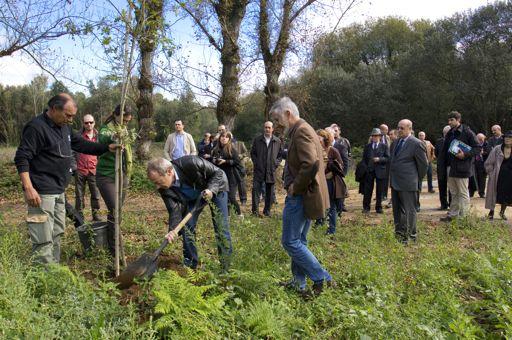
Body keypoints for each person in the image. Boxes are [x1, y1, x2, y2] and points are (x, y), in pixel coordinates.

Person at [14, 94, 116, 264]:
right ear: (54, 109)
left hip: (59, 191)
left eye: (73, 116)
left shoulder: (64, 128)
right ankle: (43, 280)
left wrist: (106, 148)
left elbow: (82, 144)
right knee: (43, 238)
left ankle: (52, 272)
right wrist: (28, 188)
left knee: (56, 234)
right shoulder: (36, 127)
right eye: (67, 115)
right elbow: (22, 158)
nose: (70, 120)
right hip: (42, 193)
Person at [271, 97, 334, 297]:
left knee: (290, 241)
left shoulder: (301, 131)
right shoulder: (304, 129)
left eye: (278, 119)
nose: (277, 125)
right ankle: (299, 283)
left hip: (301, 196)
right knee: (300, 241)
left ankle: (321, 277)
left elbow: (311, 164)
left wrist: (295, 188)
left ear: (288, 114)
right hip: (306, 195)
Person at [147, 157, 232, 271]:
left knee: (221, 227)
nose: (157, 186)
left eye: (158, 181)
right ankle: (190, 265)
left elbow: (219, 173)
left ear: (169, 172)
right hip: (195, 198)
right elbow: (174, 210)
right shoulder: (164, 188)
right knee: (187, 227)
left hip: (216, 189)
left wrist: (211, 189)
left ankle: (226, 268)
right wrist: (173, 230)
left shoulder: (191, 163)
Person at [96, 105, 134, 256]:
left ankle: (113, 243)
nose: (125, 123)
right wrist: (115, 137)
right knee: (115, 210)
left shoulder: (124, 129)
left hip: (122, 174)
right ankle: (115, 250)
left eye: (128, 121)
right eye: (123, 119)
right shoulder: (107, 128)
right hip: (106, 176)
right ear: (115, 115)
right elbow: (104, 137)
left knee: (117, 213)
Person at [389, 119, 428, 244]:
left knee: (409, 210)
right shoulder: (395, 142)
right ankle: (400, 235)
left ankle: (411, 236)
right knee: (397, 211)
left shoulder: (416, 143)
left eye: (402, 128)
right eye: (398, 128)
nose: (399, 130)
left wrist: (416, 179)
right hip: (395, 182)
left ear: (410, 129)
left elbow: (423, 165)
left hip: (408, 183)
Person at [439, 111, 480, 222]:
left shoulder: (468, 132)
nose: (449, 122)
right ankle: (453, 215)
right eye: (449, 120)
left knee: (463, 192)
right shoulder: (450, 133)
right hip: (450, 167)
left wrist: (465, 154)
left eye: (452, 120)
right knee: (453, 192)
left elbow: (477, 148)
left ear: (458, 120)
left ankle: (464, 217)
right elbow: (444, 150)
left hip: (462, 167)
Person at [250, 121, 283, 216]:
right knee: (256, 191)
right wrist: (257, 163)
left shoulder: (277, 141)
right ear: (263, 128)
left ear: (272, 129)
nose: (267, 129)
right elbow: (253, 153)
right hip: (259, 170)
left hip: (270, 171)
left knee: (270, 193)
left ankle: (267, 211)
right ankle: (255, 212)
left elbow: (280, 156)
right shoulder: (257, 140)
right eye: (265, 127)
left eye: (269, 127)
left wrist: (275, 164)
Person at [317, 129, 345, 234]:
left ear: (324, 139)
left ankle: (331, 230)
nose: (317, 140)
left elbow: (341, 166)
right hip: (318, 181)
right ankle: (319, 223)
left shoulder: (332, 150)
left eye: (319, 138)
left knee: (331, 206)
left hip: (330, 182)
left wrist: (332, 168)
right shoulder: (315, 150)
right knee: (319, 204)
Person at [74, 114, 102, 221]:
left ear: (94, 123)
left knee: (95, 194)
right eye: (86, 122)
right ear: (83, 124)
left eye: (91, 122)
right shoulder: (77, 136)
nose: (89, 124)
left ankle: (96, 214)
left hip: (94, 170)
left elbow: (102, 153)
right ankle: (79, 216)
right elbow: (71, 151)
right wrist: (74, 167)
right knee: (79, 196)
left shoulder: (99, 136)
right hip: (80, 170)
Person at [211, 131, 243, 216]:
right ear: (220, 138)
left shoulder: (231, 149)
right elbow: (213, 161)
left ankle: (239, 215)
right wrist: (214, 160)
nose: (224, 138)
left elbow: (237, 161)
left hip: (231, 177)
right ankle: (227, 216)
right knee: (224, 198)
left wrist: (226, 161)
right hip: (220, 177)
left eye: (226, 137)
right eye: (222, 136)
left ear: (229, 139)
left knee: (231, 197)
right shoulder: (215, 149)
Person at [485, 131, 512, 220]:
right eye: (506, 137)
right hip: (497, 176)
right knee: (494, 193)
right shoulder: (497, 148)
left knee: (506, 194)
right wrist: (491, 173)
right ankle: (491, 212)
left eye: (510, 137)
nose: (507, 139)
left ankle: (502, 212)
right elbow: (488, 162)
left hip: (509, 177)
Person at [362, 128, 390, 214]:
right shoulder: (367, 147)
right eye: (373, 136)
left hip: (380, 171)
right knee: (367, 190)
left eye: (376, 136)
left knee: (379, 190)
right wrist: (366, 168)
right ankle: (366, 207)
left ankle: (378, 207)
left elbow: (388, 158)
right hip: (369, 171)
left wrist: (379, 159)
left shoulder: (384, 146)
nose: (375, 137)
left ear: (380, 137)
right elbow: (364, 159)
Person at [435, 125, 452, 210]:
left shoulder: (453, 141)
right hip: (441, 167)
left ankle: (452, 204)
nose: (446, 134)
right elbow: (436, 153)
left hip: (450, 166)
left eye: (447, 133)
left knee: (451, 186)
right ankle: (443, 204)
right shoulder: (439, 141)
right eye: (445, 133)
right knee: (442, 186)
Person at [469, 133, 487, 198]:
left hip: (482, 163)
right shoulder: (474, 144)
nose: (480, 140)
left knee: (482, 179)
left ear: (484, 138)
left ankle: (481, 193)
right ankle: (471, 192)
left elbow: (489, 152)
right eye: (479, 139)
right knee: (472, 178)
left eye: (481, 139)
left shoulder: (486, 144)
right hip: (474, 163)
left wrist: (483, 153)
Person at [233, 139, 248, 206]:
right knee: (233, 183)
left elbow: (246, 152)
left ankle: (243, 200)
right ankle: (232, 200)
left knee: (241, 183)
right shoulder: (226, 145)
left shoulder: (240, 143)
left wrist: (241, 156)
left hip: (240, 166)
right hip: (231, 166)